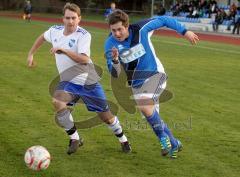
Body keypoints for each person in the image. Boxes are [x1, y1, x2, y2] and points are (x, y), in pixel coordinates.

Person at [27, 3, 131, 155]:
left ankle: (123, 139)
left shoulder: (83, 35)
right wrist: (31, 54)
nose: (70, 21)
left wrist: (64, 50)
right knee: (58, 101)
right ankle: (75, 138)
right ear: (63, 19)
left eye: (74, 18)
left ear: (79, 19)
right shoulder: (54, 31)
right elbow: (42, 37)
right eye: (68, 18)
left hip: (88, 82)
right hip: (68, 82)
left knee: (107, 118)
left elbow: (84, 59)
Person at [104, 10, 199, 158]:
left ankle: (163, 138)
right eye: (113, 30)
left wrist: (184, 31)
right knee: (150, 114)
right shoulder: (110, 44)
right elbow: (115, 73)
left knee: (144, 105)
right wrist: (115, 61)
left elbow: (164, 19)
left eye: (119, 29)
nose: (116, 33)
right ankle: (174, 143)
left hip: (155, 74)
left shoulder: (142, 29)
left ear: (127, 26)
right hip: (136, 84)